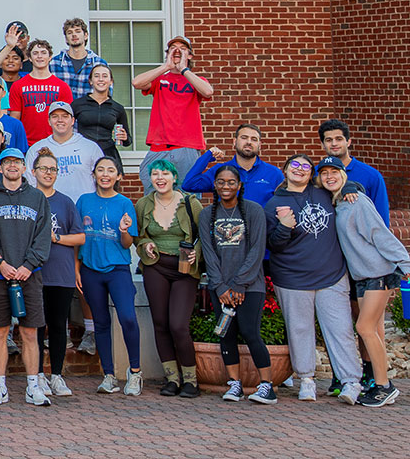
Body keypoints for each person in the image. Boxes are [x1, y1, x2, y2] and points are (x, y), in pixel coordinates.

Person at [266, 154, 359, 401]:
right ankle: (306, 379)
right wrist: (284, 226)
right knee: (299, 330)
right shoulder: (274, 202)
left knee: (341, 330)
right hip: (292, 279)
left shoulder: (324, 194)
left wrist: (350, 185)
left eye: (305, 166)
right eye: (294, 165)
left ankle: (351, 382)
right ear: (284, 170)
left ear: (311, 173)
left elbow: (347, 185)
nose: (300, 169)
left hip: (332, 275)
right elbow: (272, 245)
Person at [323, 156, 410, 407]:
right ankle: (381, 383)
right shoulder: (339, 202)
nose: (330, 176)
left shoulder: (357, 201)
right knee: (374, 331)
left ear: (344, 175)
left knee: (364, 328)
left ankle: (385, 387)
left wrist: (404, 262)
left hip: (378, 273)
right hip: (361, 276)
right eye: (325, 173)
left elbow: (378, 232)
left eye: (335, 172)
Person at [197, 165, 276, 405]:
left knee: (251, 332)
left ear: (240, 185)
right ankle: (234, 385)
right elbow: (208, 254)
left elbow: (256, 250)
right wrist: (220, 287)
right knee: (226, 333)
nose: (226, 186)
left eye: (231, 182)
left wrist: (240, 284)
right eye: (221, 182)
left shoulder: (253, 211)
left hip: (250, 286)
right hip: (220, 287)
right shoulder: (206, 214)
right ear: (215, 185)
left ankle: (266, 386)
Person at [0, 147, 51, 406]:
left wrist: (28, 265)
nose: (12, 166)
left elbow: (43, 237)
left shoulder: (37, 197)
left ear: (24, 168)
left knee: (31, 332)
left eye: (17, 162)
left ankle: (34, 385)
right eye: (7, 162)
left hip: (29, 275)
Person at [135, 157, 202, 397]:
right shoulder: (143, 204)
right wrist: (146, 245)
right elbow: (138, 237)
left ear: (175, 177)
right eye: (155, 174)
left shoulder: (190, 203)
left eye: (165, 174)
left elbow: (204, 234)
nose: (160, 178)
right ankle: (172, 379)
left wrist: (198, 253)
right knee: (160, 323)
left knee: (178, 325)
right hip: (156, 266)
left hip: (185, 269)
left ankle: (191, 381)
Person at [76, 156, 142, 395]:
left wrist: (124, 231)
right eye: (100, 170)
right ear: (93, 175)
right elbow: (77, 239)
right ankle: (109, 375)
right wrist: (76, 270)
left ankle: (135, 373)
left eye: (110, 170)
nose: (105, 174)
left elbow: (127, 244)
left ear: (119, 176)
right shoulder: (83, 201)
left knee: (127, 318)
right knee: (101, 322)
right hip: (90, 269)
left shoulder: (125, 203)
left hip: (117, 269)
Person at [28, 147, 85, 398]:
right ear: (34, 172)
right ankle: (37, 374)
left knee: (58, 325)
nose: (48, 173)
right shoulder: (28, 198)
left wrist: (56, 237)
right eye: (44, 168)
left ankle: (57, 376)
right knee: (36, 325)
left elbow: (80, 236)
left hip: (60, 272)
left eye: (53, 169)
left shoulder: (65, 202)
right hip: (33, 272)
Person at [131, 36, 211, 179]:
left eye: (183, 48)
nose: (177, 50)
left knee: (187, 195)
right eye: (173, 48)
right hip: (159, 146)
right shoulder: (160, 79)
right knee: (152, 190)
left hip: (187, 146)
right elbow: (137, 83)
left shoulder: (196, 80)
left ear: (190, 55)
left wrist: (184, 69)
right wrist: (166, 67)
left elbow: (208, 91)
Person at [182, 123, 282, 206]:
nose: (249, 142)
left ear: (259, 145)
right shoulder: (221, 171)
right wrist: (207, 156)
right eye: (244, 138)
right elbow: (189, 184)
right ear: (234, 142)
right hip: (227, 228)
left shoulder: (274, 173)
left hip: (261, 229)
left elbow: (284, 203)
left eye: (254, 139)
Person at [318, 119, 391, 224]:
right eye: (329, 140)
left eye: (339, 139)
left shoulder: (371, 175)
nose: (334, 144)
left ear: (348, 142)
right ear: (323, 144)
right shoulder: (316, 174)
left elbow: (381, 218)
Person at [29, 102, 98, 202]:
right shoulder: (36, 149)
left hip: (83, 209)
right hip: (49, 209)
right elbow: (30, 182)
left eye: (65, 116)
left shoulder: (90, 147)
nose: (60, 120)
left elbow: (101, 179)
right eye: (55, 116)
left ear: (73, 120)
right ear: (49, 121)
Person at [7, 40, 72, 144]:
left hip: (55, 142)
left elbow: (67, 120)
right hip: (26, 143)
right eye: (35, 53)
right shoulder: (18, 85)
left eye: (43, 52)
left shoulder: (62, 87)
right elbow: (15, 119)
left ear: (50, 57)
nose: (39, 56)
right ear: (30, 58)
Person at [73, 63, 131, 172]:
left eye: (105, 76)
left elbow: (128, 141)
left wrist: (125, 137)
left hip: (108, 155)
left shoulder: (118, 108)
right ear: (90, 81)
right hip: (83, 155)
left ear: (111, 81)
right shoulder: (77, 105)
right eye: (96, 76)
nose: (101, 79)